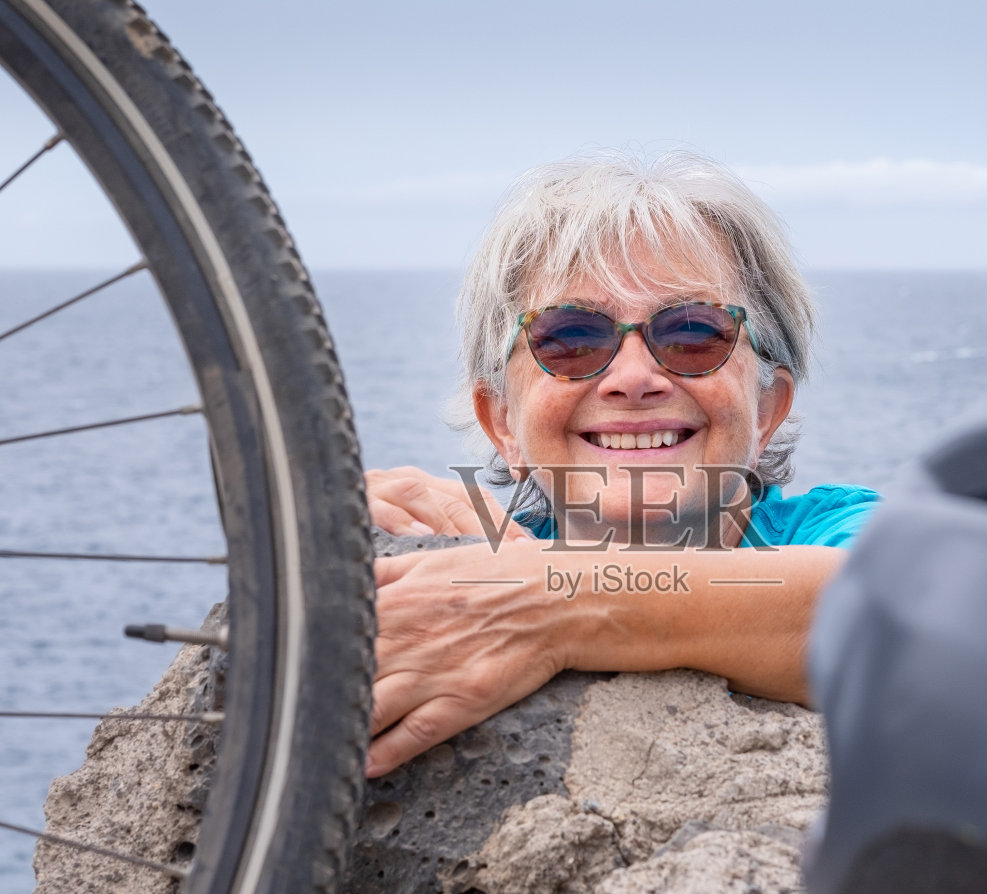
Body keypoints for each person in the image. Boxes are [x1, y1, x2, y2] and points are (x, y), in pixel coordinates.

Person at [365, 151, 878, 776]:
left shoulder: (842, 534)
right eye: (571, 338)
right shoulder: (485, 565)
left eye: (693, 334)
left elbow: (910, 616)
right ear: (502, 422)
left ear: (767, 407)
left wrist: (553, 604)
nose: (633, 379)